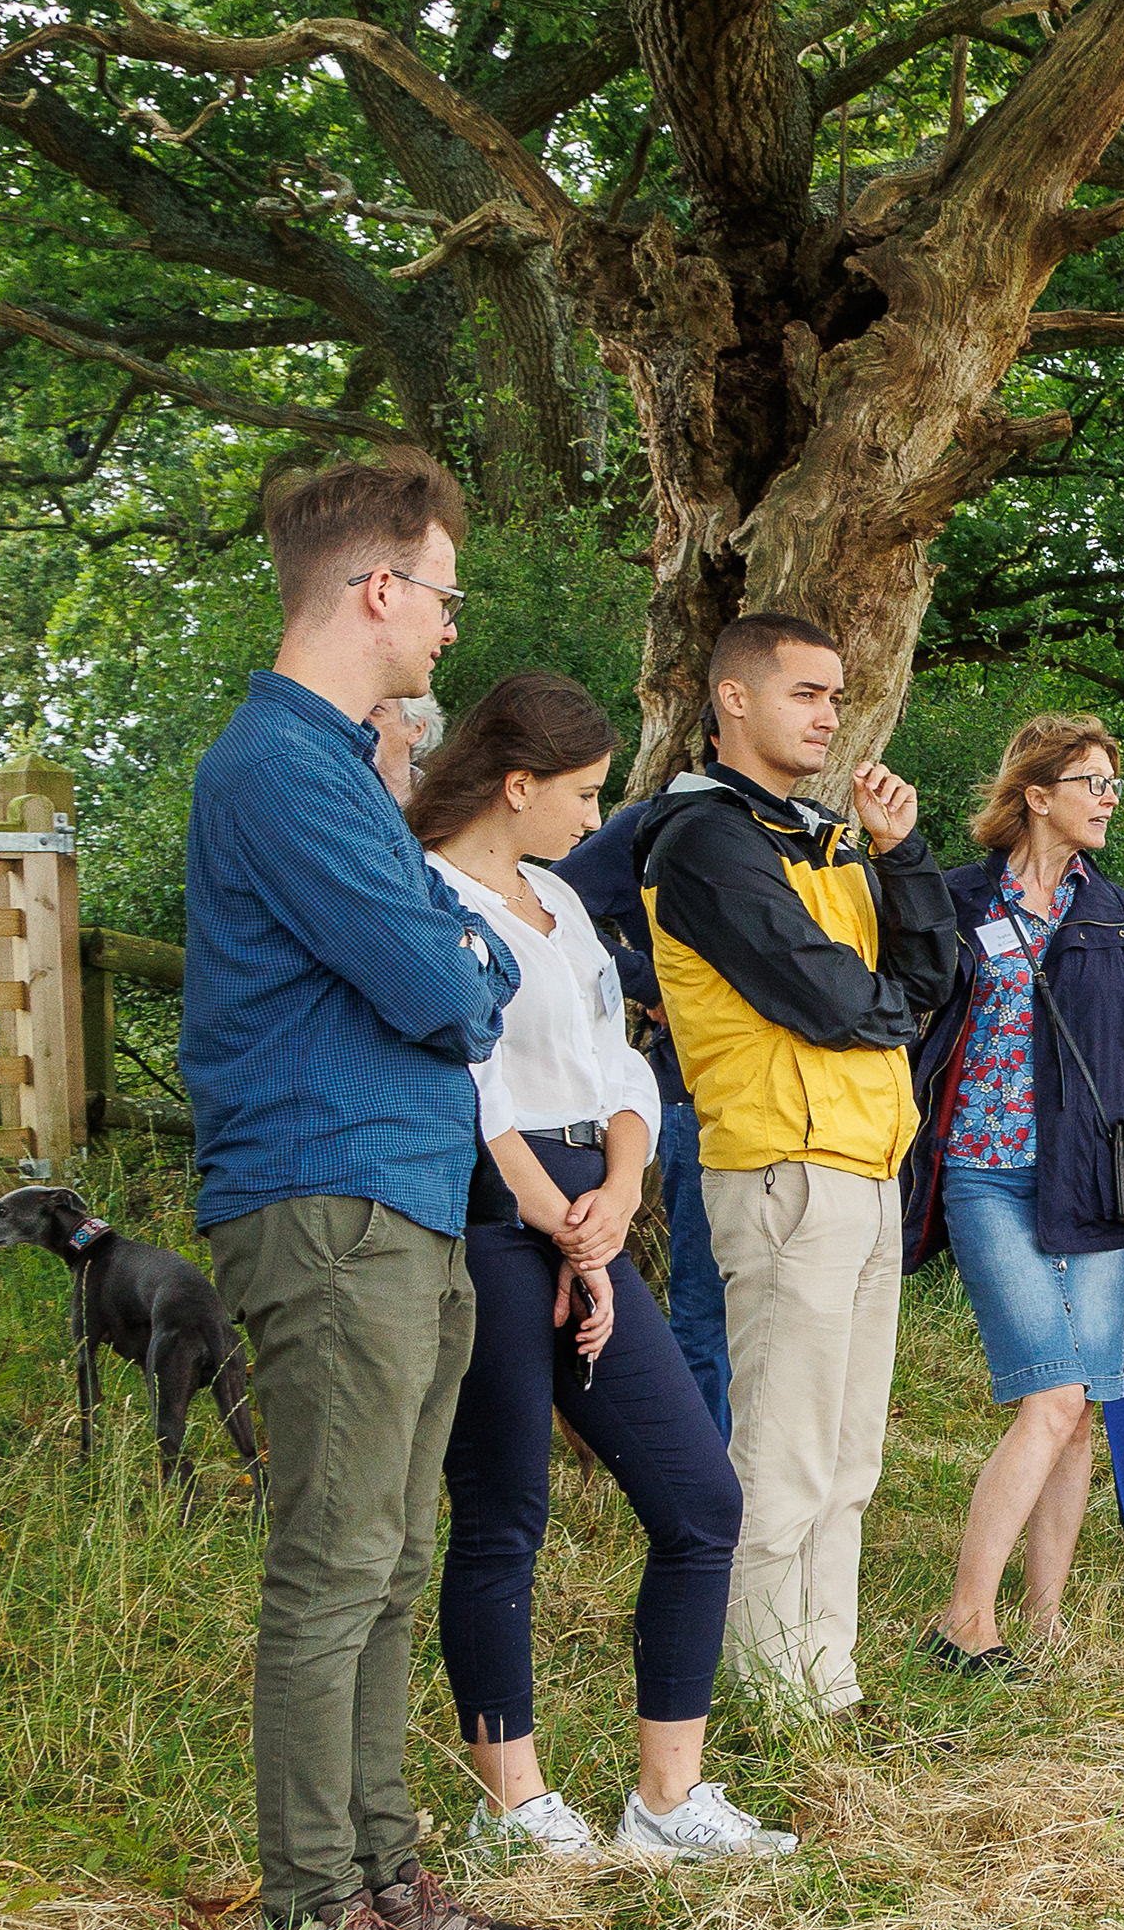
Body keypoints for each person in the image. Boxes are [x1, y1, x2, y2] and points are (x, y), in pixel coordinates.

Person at [182, 451, 548, 1930]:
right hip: (328, 1201)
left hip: (399, 1199)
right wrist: (461, 941)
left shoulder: (346, 768)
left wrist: (457, 938)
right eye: (445, 595)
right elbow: (452, 989)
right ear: (378, 586)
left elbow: (473, 965)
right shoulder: (276, 767)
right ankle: (311, 1914)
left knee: (396, 1556)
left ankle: (385, 1877)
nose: (452, 631)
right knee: (335, 1565)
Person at [404, 674, 785, 1864]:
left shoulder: (564, 900)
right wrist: (552, 1217)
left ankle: (666, 1801)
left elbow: (623, 1069)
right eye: (579, 791)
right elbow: (470, 1084)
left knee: (699, 1498)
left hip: (592, 1201)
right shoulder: (421, 893)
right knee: (505, 1508)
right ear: (515, 784)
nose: (592, 813)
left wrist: (616, 1202)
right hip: (486, 1211)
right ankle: (511, 1800)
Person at [634, 613, 963, 1717]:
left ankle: (828, 1682)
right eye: (806, 693)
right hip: (781, 1168)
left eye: (836, 695)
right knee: (781, 1452)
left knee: (851, 1453)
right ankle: (770, 1690)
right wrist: (893, 1006)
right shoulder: (703, 838)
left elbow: (933, 977)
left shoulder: (826, 836)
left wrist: (904, 854)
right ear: (734, 698)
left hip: (868, 1168)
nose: (831, 713)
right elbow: (827, 994)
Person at [904, 715, 1124, 1668]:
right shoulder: (951, 899)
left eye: (1112, 782)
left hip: (1095, 1183)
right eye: (1090, 780)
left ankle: (1045, 1616)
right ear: (1036, 794)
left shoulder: (1115, 912)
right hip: (983, 1173)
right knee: (1054, 1393)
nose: (1108, 797)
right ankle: (964, 1616)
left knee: (1081, 1408)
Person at [556, 796, 732, 1435]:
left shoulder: (814, 827)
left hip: (800, 1110)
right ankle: (708, 1471)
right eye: (804, 693)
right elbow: (559, 896)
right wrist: (647, 980)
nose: (823, 719)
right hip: (693, 1094)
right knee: (701, 1305)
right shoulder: (663, 817)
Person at [366, 693, 444, 807]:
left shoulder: (439, 800)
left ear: (416, 729)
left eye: (376, 709)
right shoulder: (339, 785)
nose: (359, 719)